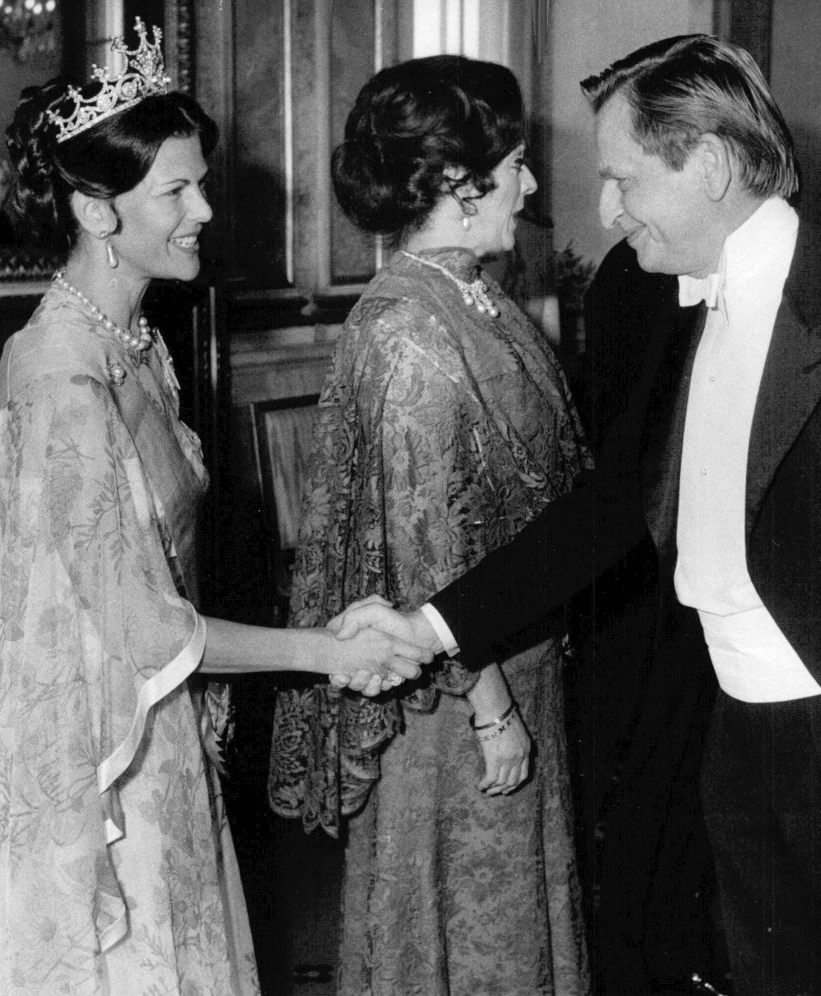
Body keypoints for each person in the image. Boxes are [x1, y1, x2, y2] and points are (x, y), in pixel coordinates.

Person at [333, 35, 821, 996]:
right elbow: (613, 507)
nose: (606, 209)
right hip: (738, 743)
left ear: (706, 165)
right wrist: (433, 625)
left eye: (623, 179)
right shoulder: (680, 309)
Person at [0, 21, 425, 996]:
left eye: (201, 183)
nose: (205, 209)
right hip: (99, 757)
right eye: (176, 191)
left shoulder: (134, 343)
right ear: (95, 210)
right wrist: (326, 651)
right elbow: (143, 627)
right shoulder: (63, 381)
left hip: (157, 728)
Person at [267, 55, 590, 996]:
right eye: (517, 165)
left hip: (511, 659)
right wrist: (492, 708)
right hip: (452, 700)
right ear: (459, 180)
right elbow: (427, 546)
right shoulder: (409, 326)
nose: (531, 187)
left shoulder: (473, 295)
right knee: (463, 934)